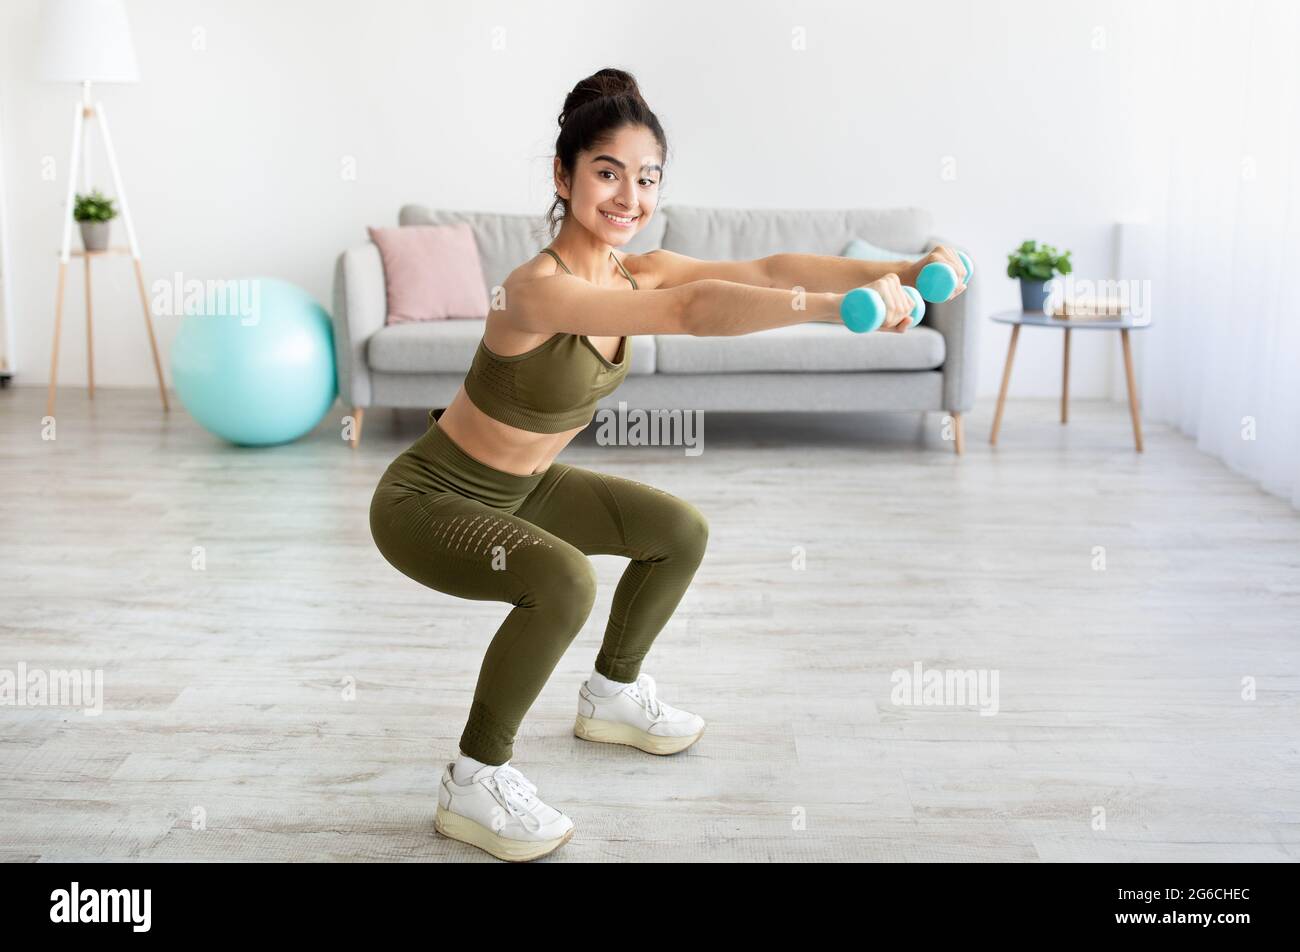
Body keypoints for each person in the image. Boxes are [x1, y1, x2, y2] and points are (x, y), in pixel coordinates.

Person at [368, 67, 969, 862]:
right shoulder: (533, 290)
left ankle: (612, 696)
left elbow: (767, 271)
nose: (629, 196)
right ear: (564, 175)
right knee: (565, 581)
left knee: (677, 531)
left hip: (524, 489)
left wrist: (894, 271)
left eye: (646, 178)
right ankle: (474, 779)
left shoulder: (633, 268)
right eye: (607, 172)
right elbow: (692, 311)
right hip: (430, 499)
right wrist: (834, 316)